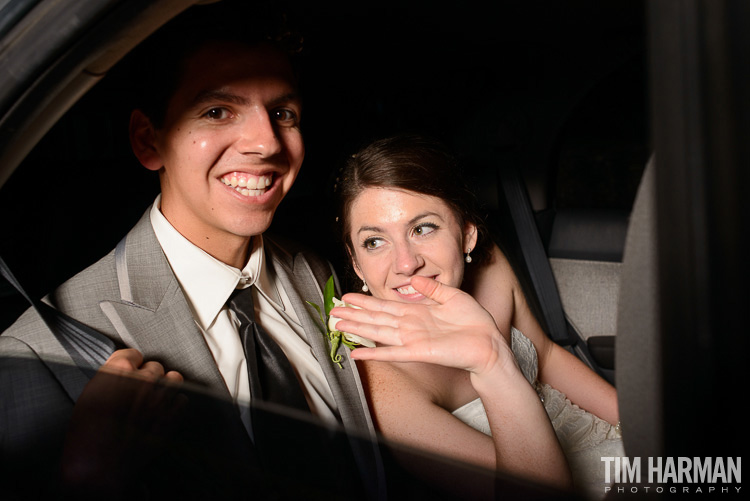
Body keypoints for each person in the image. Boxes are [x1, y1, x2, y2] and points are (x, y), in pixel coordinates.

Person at [0, 4, 376, 495]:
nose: (266, 142)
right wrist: (88, 482)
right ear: (148, 140)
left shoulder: (313, 268)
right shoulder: (32, 354)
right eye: (217, 111)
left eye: (283, 113)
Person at [329, 134, 624, 498]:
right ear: (356, 261)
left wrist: (641, 428)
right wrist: (492, 362)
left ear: (467, 235)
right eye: (375, 241)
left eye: (423, 228)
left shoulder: (490, 266)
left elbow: (545, 356)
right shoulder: (377, 377)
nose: (406, 263)